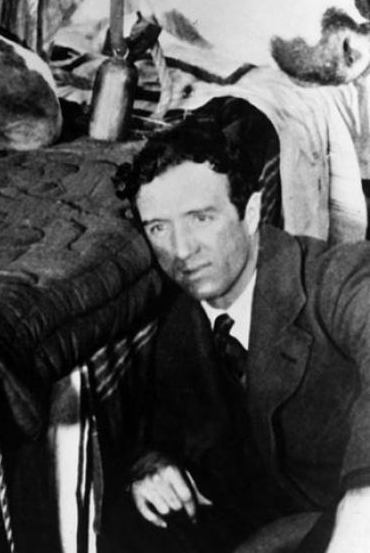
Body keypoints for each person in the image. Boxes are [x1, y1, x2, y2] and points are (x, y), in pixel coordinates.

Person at [106, 116, 370, 553]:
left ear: (249, 213)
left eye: (201, 218)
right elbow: (162, 436)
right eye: (158, 228)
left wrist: (363, 501)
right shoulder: (176, 329)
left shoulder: (333, 279)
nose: (182, 249)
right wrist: (152, 467)